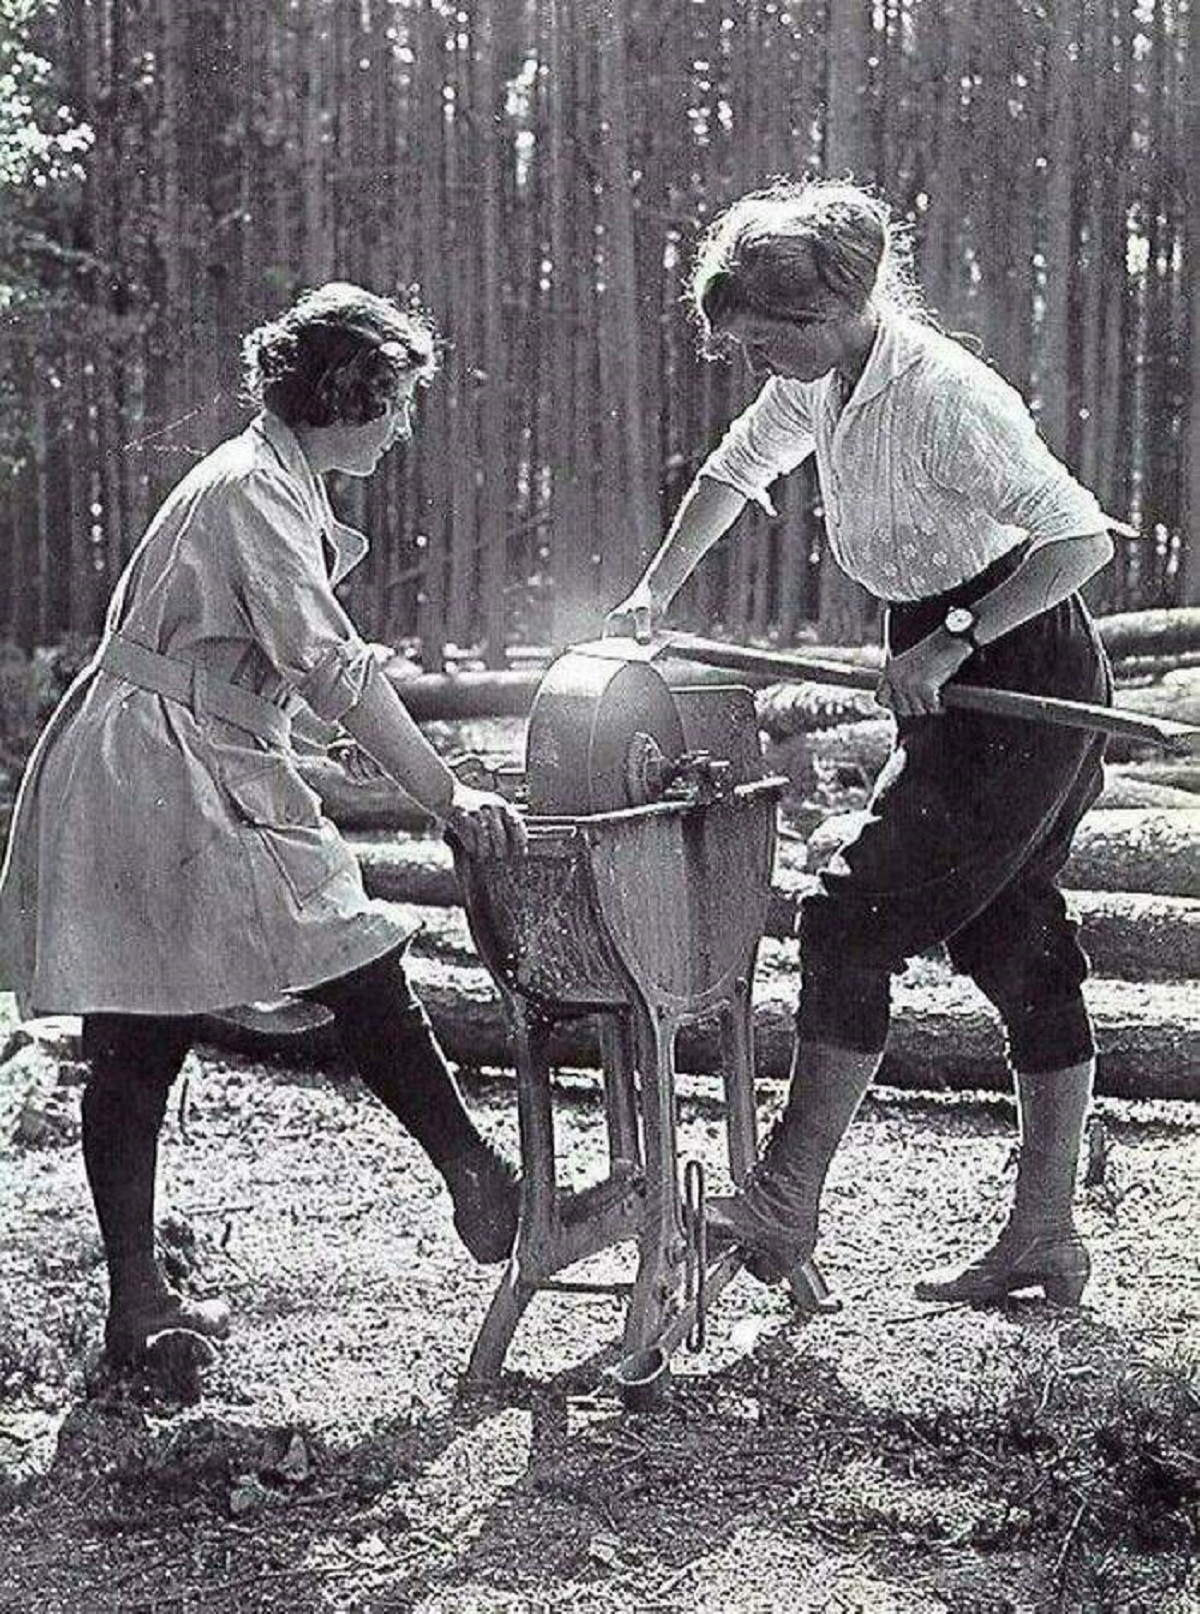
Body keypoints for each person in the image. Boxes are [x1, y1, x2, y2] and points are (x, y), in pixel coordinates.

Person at [607, 180, 1130, 1309]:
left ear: (830, 311)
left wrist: (952, 641)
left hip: (1022, 665)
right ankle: (1046, 1237)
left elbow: (1079, 537)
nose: (755, 369)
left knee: (848, 916)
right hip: (950, 664)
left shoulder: (944, 394)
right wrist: (653, 593)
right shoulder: (827, 381)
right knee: (1015, 936)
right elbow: (732, 472)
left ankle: (787, 1197)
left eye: (763, 344)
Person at [0, 282, 528, 1365]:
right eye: (397, 402)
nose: (402, 426)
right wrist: (448, 796)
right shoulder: (251, 492)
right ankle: (471, 1176)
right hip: (153, 764)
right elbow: (333, 668)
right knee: (292, 964)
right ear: (351, 394)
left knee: (163, 1020)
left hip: (176, 748)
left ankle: (464, 1179)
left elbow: (270, 670)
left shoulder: (272, 483)